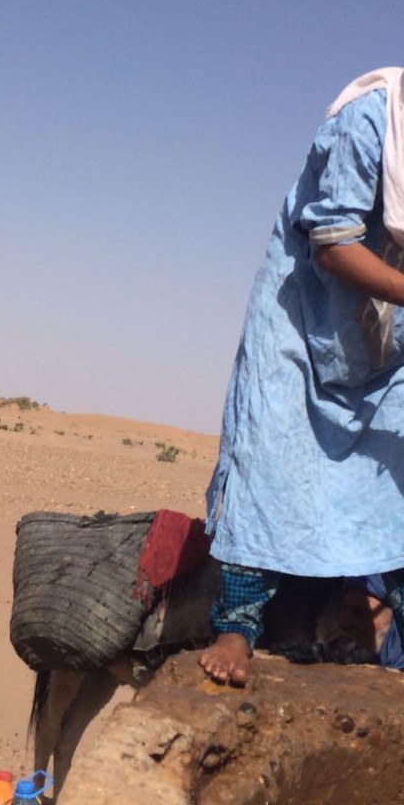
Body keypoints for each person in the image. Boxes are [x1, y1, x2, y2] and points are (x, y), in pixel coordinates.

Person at [201, 67, 404, 686]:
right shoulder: (373, 117)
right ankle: (237, 627)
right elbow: (333, 245)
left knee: (396, 476)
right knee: (271, 454)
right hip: (303, 310)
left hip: (389, 330)